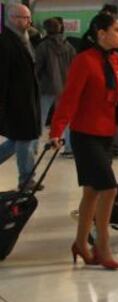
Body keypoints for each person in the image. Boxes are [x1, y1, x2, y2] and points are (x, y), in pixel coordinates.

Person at [49, 14, 118, 269]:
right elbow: (69, 98)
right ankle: (102, 244)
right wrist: (56, 131)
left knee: (92, 192)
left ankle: (80, 242)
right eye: (117, 30)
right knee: (109, 189)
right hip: (85, 134)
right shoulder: (83, 61)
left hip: (107, 133)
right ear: (101, 33)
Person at [0, 3, 42, 191]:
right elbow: (2, 75)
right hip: (16, 103)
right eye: (25, 18)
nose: (29, 21)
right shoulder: (5, 42)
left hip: (27, 99)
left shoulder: (24, 38)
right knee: (24, 139)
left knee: (18, 140)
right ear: (13, 18)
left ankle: (27, 178)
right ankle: (26, 180)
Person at [35, 17, 76, 157]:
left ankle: (33, 147)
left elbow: (37, 67)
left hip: (47, 87)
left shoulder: (43, 46)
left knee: (40, 117)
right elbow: (75, 65)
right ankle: (70, 148)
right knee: (66, 119)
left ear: (46, 30)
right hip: (66, 86)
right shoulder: (69, 46)